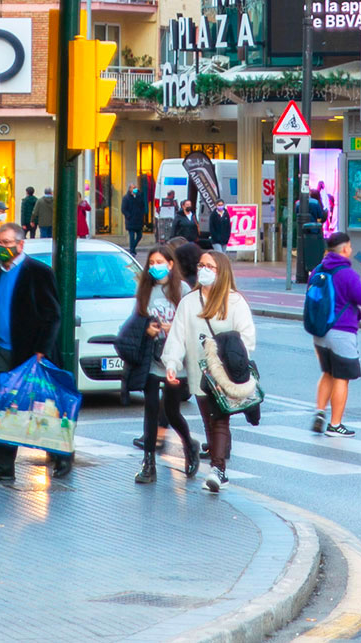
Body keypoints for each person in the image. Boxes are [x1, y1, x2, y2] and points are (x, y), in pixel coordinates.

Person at [0, 223, 71, 482]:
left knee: (41, 407)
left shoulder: (38, 272)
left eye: (8, 243)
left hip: (29, 354)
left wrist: (41, 350)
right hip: (1, 350)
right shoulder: (0, 271)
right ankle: (2, 466)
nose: (3, 248)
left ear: (21, 244)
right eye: (0, 243)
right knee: (2, 407)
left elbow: (53, 314)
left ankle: (61, 456)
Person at [163, 249, 257, 494]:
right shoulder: (189, 302)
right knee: (209, 420)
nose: (203, 270)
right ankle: (219, 464)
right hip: (199, 373)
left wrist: (230, 356)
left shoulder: (234, 301)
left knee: (219, 419)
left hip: (225, 374)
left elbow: (247, 338)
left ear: (221, 271)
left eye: (209, 267)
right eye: (201, 265)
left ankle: (218, 469)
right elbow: (177, 336)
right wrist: (172, 363)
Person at [132, 245, 197, 485]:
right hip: (152, 357)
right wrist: (147, 329)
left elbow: (192, 324)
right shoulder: (145, 289)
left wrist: (174, 329)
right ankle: (148, 463)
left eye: (160, 262)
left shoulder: (183, 290)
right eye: (151, 263)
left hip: (175, 360)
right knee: (150, 409)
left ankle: (189, 445)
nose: (155, 267)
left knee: (171, 411)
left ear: (170, 264)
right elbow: (137, 320)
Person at [310, 231, 361, 437]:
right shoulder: (347, 274)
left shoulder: (318, 270)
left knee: (328, 372)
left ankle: (320, 412)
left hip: (320, 331)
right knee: (342, 377)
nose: (352, 249)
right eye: (350, 247)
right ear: (345, 249)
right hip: (342, 331)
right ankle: (335, 425)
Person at [122, 182, 150, 255]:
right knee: (132, 237)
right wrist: (129, 216)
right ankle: (132, 251)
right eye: (133, 188)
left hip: (138, 220)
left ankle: (133, 248)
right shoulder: (126, 198)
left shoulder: (139, 196)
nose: (135, 189)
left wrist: (142, 214)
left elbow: (142, 205)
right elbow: (123, 209)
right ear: (130, 189)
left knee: (139, 236)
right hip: (131, 221)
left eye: (135, 187)